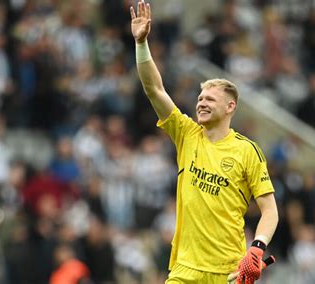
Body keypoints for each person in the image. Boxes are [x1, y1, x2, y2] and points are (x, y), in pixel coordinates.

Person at [130, 1, 279, 283]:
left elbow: (270, 211)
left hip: (229, 273)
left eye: (210, 99)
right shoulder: (186, 134)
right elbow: (154, 89)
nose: (201, 103)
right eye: (200, 98)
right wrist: (141, 44)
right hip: (184, 270)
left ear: (230, 107)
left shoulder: (246, 151)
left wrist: (257, 249)